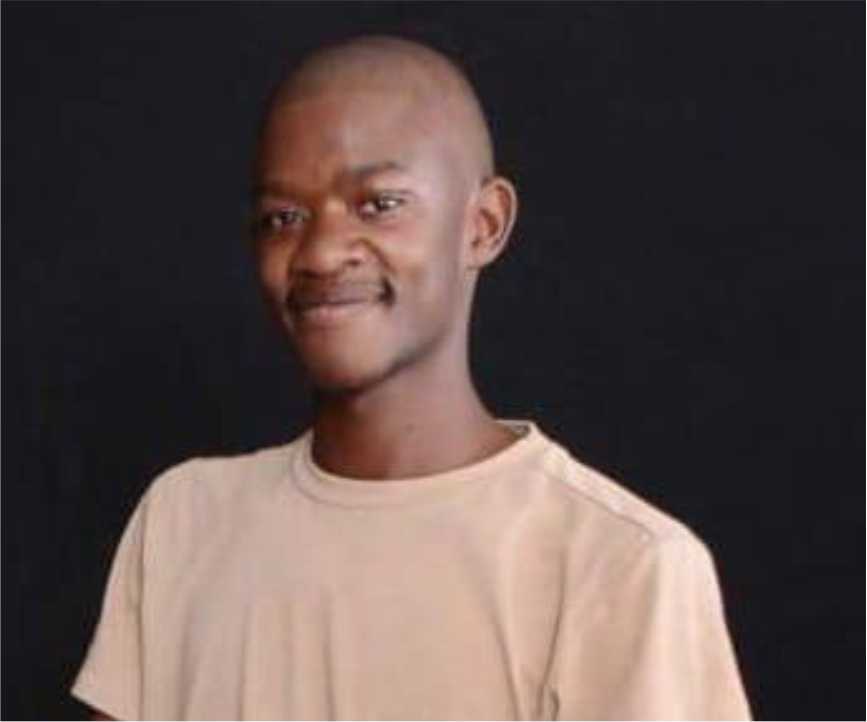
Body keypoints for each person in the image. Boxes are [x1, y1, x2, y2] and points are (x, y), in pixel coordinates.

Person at [71, 35, 751, 720]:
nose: (320, 252)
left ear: (482, 225)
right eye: (284, 218)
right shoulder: (185, 519)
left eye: (379, 203)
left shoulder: (621, 566)